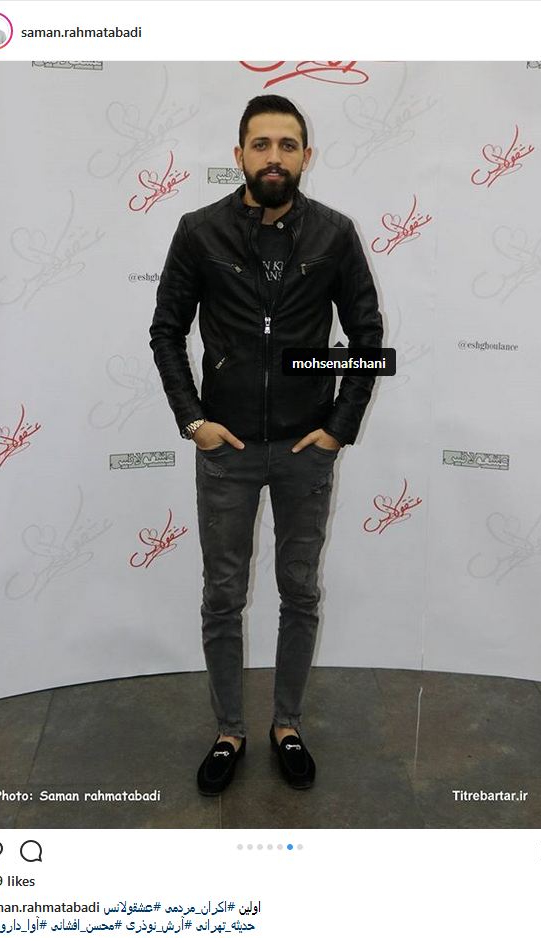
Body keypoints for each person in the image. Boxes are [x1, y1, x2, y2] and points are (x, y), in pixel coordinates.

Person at [150, 94, 382, 795]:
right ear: (239, 155)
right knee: (222, 596)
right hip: (227, 450)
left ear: (306, 156)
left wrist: (337, 428)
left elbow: (368, 339)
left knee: (299, 591)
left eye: (287, 145)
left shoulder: (335, 234)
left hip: (305, 451)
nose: (274, 157)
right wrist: (193, 421)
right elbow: (166, 332)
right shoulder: (199, 231)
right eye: (261, 145)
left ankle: (287, 724)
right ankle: (229, 730)